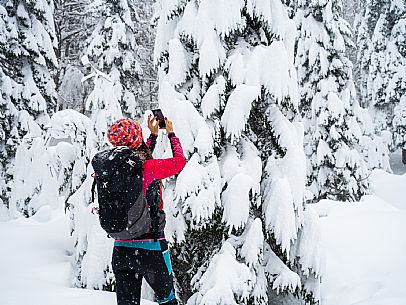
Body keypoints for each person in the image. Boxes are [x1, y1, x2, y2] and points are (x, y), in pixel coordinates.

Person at [106, 115, 186, 305]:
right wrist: (172, 134)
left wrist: (153, 136)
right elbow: (179, 162)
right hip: (151, 247)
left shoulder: (110, 169)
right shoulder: (148, 168)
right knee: (168, 301)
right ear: (136, 139)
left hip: (121, 249)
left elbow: (136, 161)